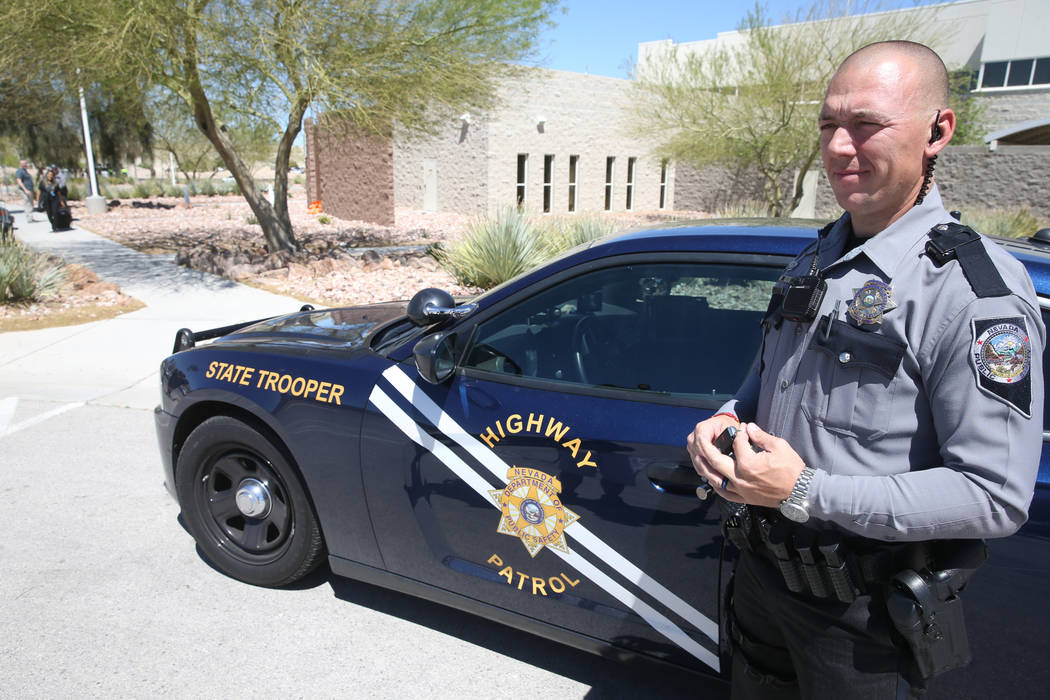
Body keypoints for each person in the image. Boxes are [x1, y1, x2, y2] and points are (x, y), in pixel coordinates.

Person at [686, 41, 1044, 699]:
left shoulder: (974, 293)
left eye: (867, 125)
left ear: (938, 131)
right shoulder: (819, 254)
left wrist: (803, 491)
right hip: (764, 584)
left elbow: (994, 495)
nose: (839, 148)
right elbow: (770, 377)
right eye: (828, 125)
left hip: (863, 626)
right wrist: (727, 417)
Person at [38, 166, 69, 232]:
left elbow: (58, 193)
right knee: (49, 214)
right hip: (46, 200)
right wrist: (38, 200)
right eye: (49, 175)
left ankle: (54, 227)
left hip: (54, 199)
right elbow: (39, 191)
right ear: (46, 175)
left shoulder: (55, 183)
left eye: (51, 175)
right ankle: (53, 223)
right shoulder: (43, 183)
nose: (50, 176)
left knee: (55, 213)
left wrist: (61, 201)